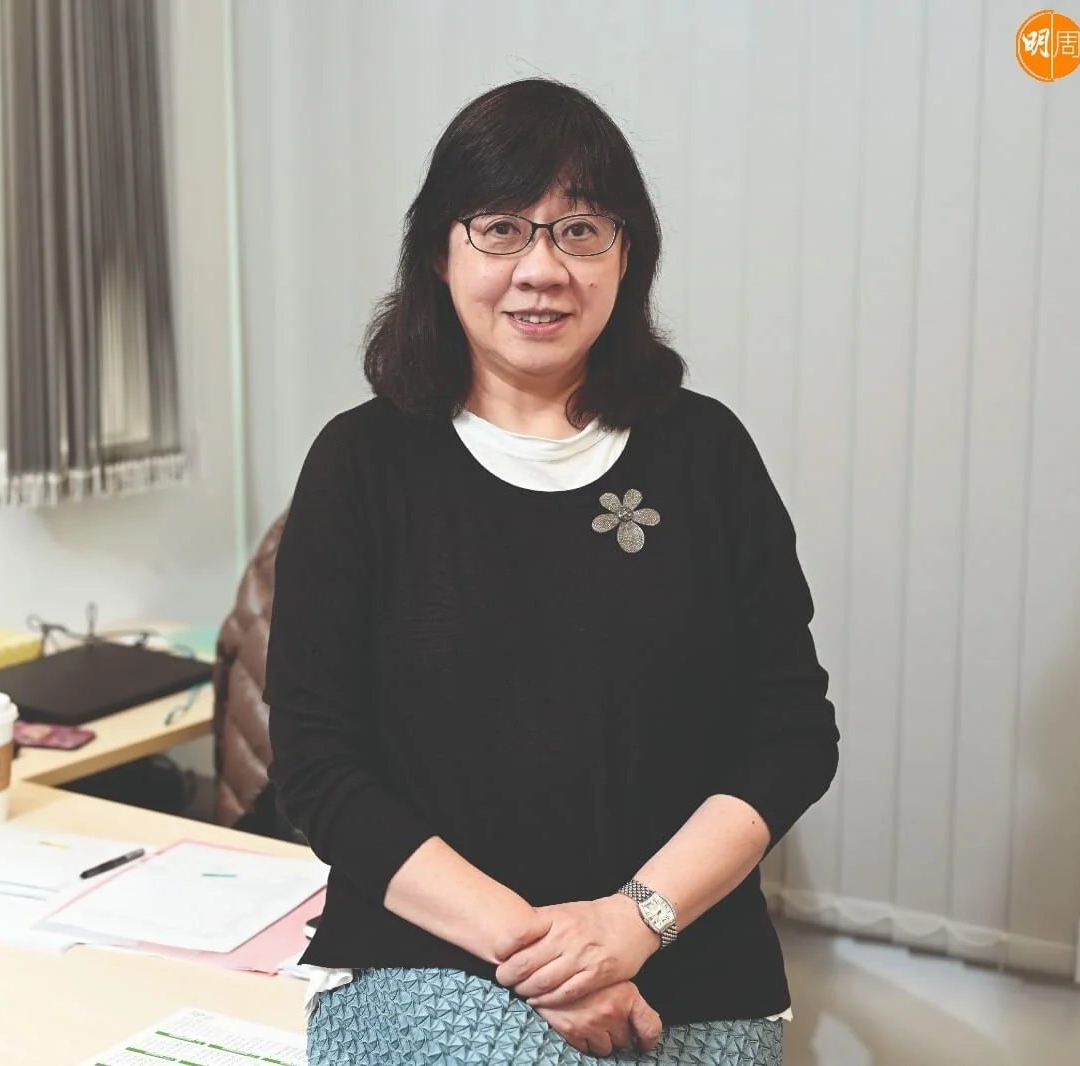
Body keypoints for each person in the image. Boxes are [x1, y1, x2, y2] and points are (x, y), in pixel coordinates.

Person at [264, 77, 840, 1066]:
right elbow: (318, 765)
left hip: (686, 949)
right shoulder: (362, 464)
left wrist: (630, 923)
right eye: (500, 229)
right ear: (439, 254)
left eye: (580, 231)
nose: (541, 269)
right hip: (431, 950)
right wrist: (545, 953)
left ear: (627, 256)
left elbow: (790, 736)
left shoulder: (705, 454)